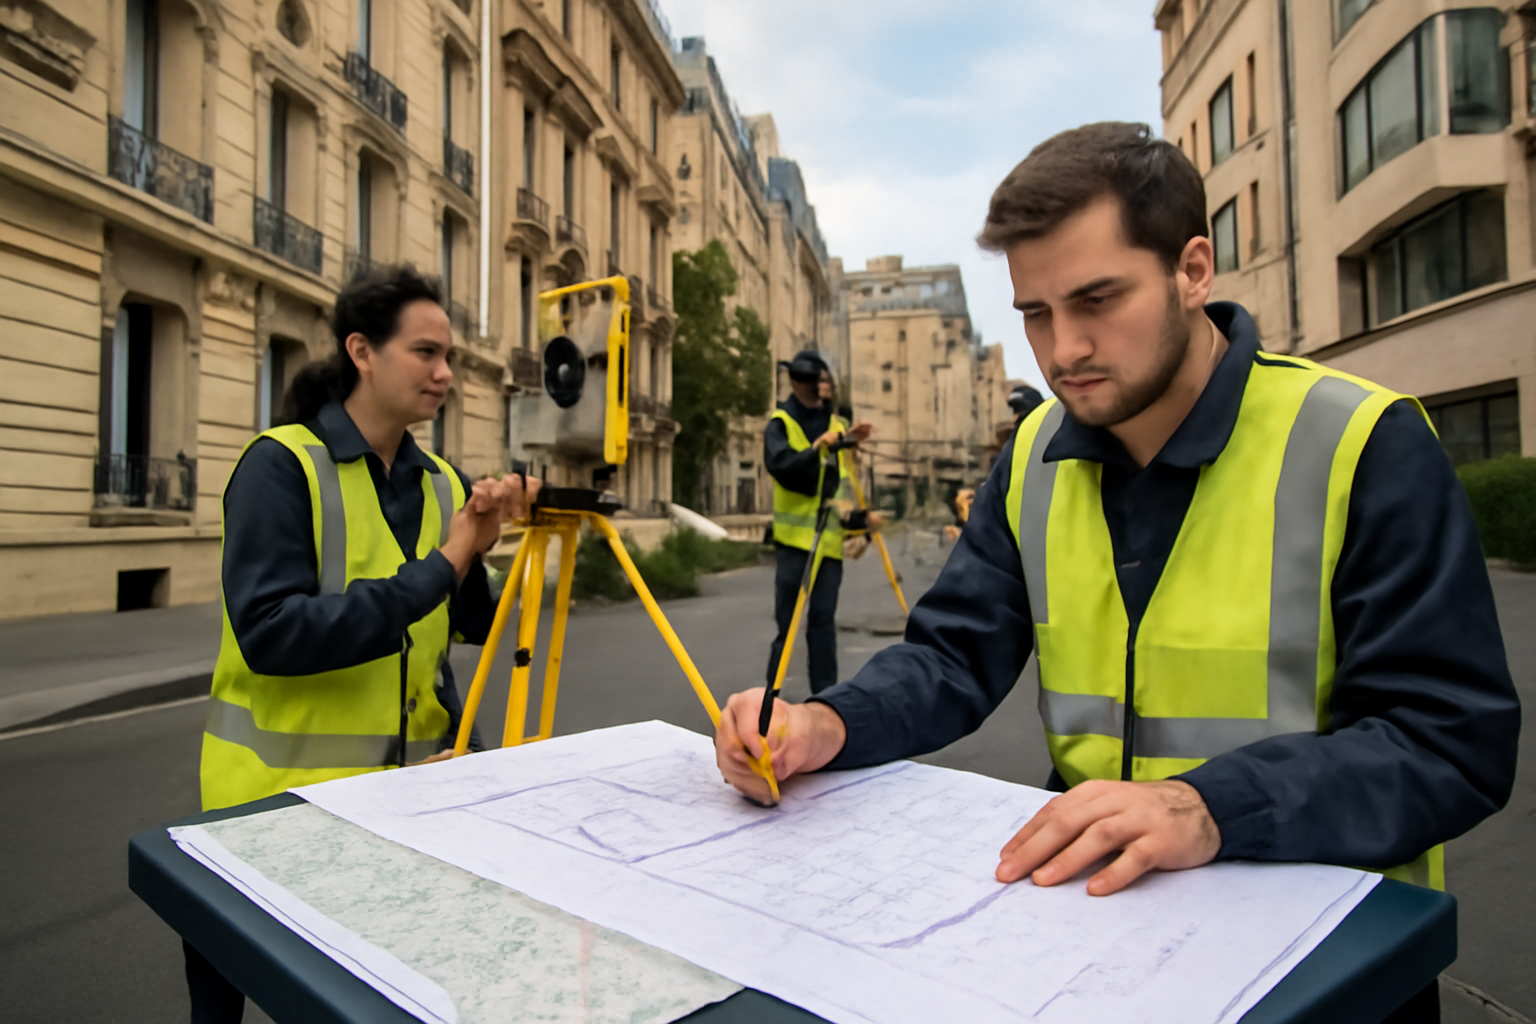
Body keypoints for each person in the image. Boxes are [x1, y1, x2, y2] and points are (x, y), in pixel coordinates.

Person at [717, 123, 1519, 1024]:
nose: (1063, 350)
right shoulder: (1034, 455)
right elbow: (952, 656)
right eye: (1035, 313)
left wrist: (1209, 807)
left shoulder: (1362, 443)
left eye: (1097, 299)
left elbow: (1448, 741)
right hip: (1096, 944)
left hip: (1327, 968)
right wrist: (827, 723)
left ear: (1193, 270)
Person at [187, 265, 539, 1023]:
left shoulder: (442, 482)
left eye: (449, 356)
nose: (446, 374)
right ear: (362, 352)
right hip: (275, 812)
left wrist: (487, 545)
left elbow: (470, 627)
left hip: (408, 810)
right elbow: (272, 633)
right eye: (426, 353)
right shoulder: (280, 465)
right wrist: (444, 563)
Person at [762, 351, 872, 693]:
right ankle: (771, 702)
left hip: (829, 543)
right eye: (819, 381)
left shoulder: (836, 426)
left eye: (827, 380)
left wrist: (858, 525)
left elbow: (842, 481)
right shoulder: (780, 423)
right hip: (794, 544)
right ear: (799, 382)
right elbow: (783, 468)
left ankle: (825, 699)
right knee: (788, 626)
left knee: (823, 623)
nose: (825, 386)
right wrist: (817, 449)